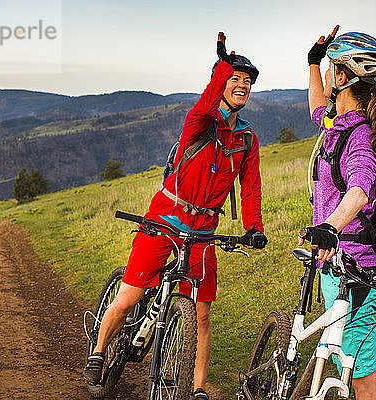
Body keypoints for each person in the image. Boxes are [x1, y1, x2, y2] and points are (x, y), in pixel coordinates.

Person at [83, 32, 268, 400]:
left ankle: (198, 389)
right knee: (130, 297)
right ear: (222, 83)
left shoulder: (247, 139)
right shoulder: (200, 121)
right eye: (236, 80)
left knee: (200, 314)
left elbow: (251, 187)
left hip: (203, 230)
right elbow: (205, 102)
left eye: (247, 82)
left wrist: (254, 227)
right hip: (166, 218)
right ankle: (99, 352)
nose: (242, 86)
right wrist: (222, 66)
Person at [298, 26, 376, 400]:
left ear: (341, 77)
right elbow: (314, 106)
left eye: (328, 67)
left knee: (359, 375)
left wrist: (329, 227)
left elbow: (359, 190)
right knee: (344, 361)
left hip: (354, 269)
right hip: (333, 264)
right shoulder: (335, 123)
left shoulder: (361, 136)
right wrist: (312, 61)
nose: (324, 74)